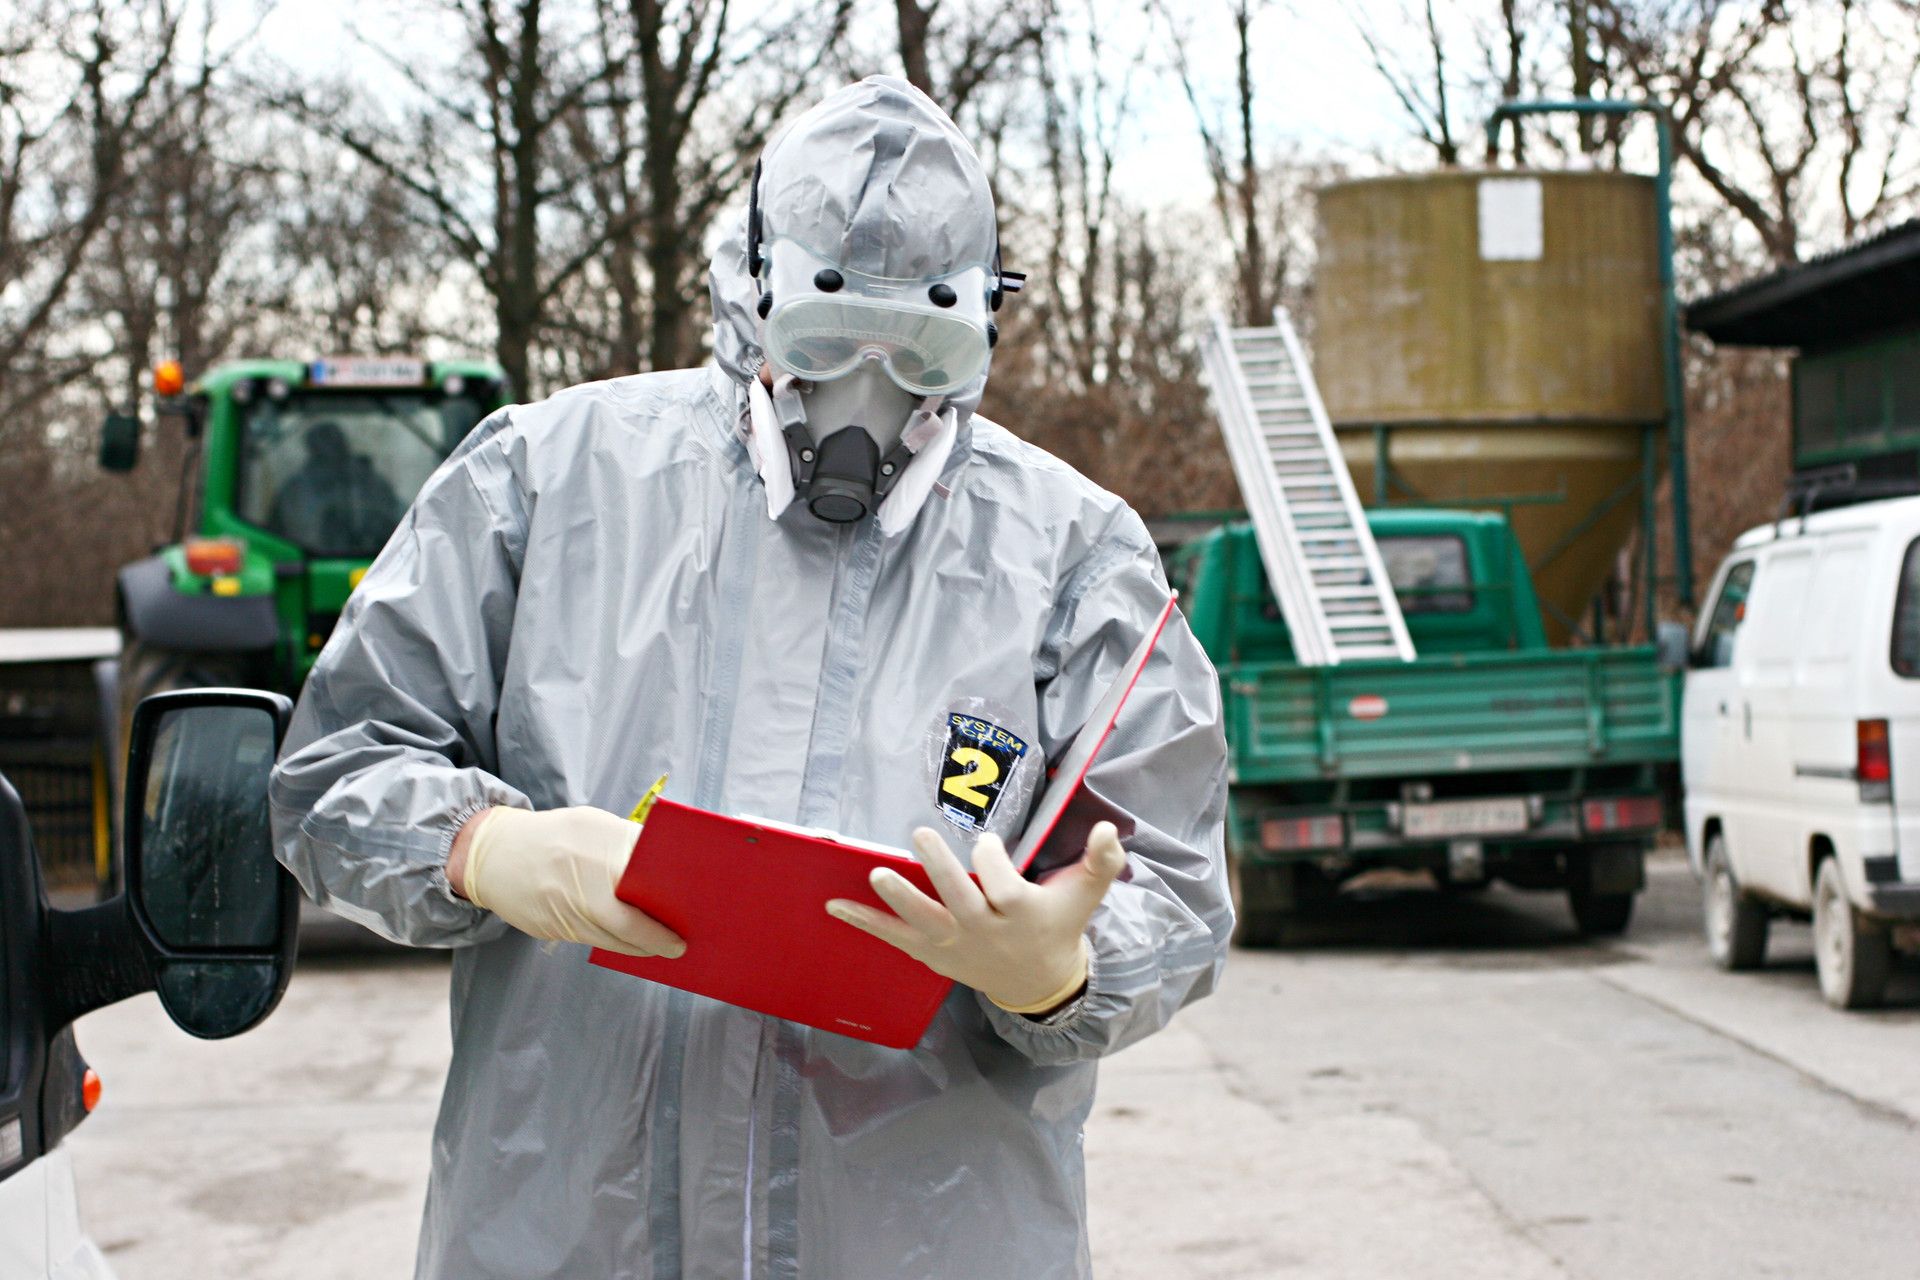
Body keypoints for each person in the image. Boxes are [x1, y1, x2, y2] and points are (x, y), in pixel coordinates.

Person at [269, 75, 1231, 1280]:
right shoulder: (544, 481)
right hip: (568, 1237)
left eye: (920, 345)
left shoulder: (1073, 557)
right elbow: (332, 766)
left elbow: (1171, 879)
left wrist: (1063, 969)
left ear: (985, 321)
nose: (867, 388)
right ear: (753, 292)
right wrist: (482, 847)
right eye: (825, 337)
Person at [266, 419, 402, 553]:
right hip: (305, 563)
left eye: (334, 444)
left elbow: (395, 520)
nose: (330, 451)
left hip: (371, 560)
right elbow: (276, 536)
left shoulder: (372, 485)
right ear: (313, 450)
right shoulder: (295, 491)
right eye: (323, 447)